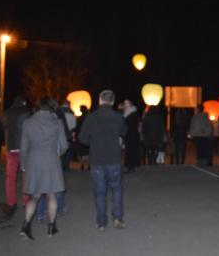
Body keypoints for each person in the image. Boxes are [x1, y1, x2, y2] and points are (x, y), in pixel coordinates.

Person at [19, 97, 68, 240]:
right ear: (52, 107)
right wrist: (57, 153)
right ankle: (51, 228)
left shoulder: (28, 122)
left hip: (33, 162)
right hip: (51, 161)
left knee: (34, 196)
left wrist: (23, 165)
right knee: (51, 194)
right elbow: (64, 145)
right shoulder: (57, 123)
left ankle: (26, 226)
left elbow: (24, 147)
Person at [79, 90, 127, 231]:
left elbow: (82, 139)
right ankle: (117, 218)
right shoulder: (117, 117)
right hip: (113, 158)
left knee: (100, 191)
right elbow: (124, 132)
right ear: (112, 102)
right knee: (116, 189)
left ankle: (101, 222)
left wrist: (92, 141)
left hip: (97, 159)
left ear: (100, 100)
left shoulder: (91, 117)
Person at [3, 96, 31, 216]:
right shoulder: (27, 112)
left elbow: (2, 127)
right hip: (24, 148)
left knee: (10, 177)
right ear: (24, 103)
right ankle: (26, 201)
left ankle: (11, 202)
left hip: (11, 148)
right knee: (26, 176)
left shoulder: (6, 113)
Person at [121, 100, 141, 173]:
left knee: (131, 150)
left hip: (132, 135)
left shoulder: (132, 113)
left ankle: (131, 166)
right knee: (130, 150)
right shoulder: (127, 112)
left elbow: (131, 124)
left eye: (127, 103)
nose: (125, 104)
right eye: (125, 103)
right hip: (130, 135)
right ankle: (131, 166)